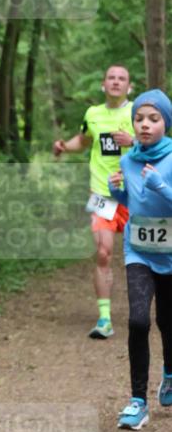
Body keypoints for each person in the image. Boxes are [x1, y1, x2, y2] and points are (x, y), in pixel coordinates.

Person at [53, 65, 134, 338]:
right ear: (103, 84)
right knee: (103, 252)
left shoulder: (138, 112)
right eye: (111, 77)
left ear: (129, 87)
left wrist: (133, 141)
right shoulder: (93, 114)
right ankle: (104, 319)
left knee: (153, 255)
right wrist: (65, 146)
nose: (115, 82)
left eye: (121, 78)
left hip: (137, 194)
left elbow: (157, 145)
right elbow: (84, 140)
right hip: (102, 193)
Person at [107, 89, 172, 429]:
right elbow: (130, 201)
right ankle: (137, 401)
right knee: (137, 321)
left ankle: (170, 372)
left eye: (153, 118)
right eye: (139, 119)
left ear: (166, 123)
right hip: (138, 251)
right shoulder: (128, 159)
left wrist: (162, 186)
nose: (144, 124)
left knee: (167, 320)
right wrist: (116, 190)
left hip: (171, 255)